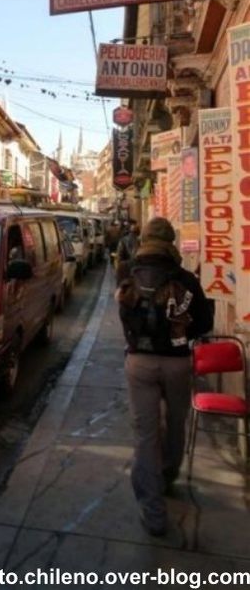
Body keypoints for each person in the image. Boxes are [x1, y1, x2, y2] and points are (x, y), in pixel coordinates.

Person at [115, 218, 213, 537]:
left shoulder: (126, 271)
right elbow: (204, 323)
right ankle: (168, 475)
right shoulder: (186, 278)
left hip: (139, 362)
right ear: (171, 241)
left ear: (143, 239)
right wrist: (179, 335)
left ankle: (153, 513)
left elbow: (124, 313)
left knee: (145, 435)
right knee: (175, 424)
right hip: (177, 363)